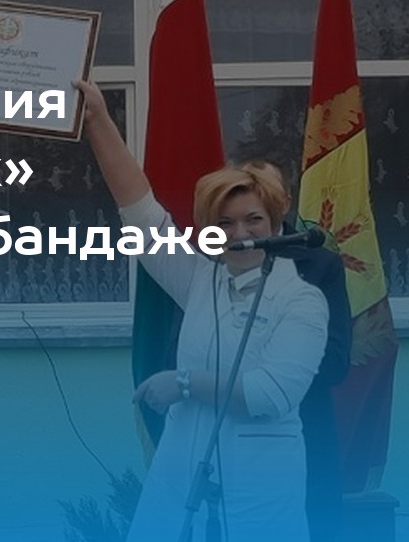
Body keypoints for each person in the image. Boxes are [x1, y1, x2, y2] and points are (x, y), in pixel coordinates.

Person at [75, 81, 329, 541]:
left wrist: (185, 383)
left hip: (259, 493)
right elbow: (141, 215)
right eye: (225, 223)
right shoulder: (199, 279)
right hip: (180, 479)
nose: (240, 233)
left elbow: (270, 394)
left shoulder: (302, 301)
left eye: (253, 220)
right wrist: (97, 120)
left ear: (275, 224)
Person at [238, 160, 352, 542]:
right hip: (232, 433)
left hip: (304, 432)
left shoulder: (320, 264)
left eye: (264, 200)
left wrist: (268, 384)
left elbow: (334, 361)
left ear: (284, 202)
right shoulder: (214, 262)